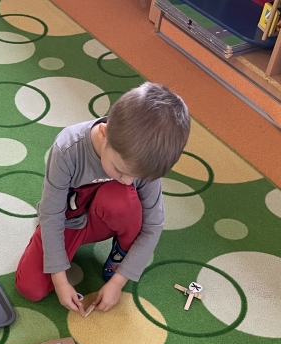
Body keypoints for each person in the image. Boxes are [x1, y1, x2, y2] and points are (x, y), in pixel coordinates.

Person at [14, 82, 191, 314]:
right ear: (104, 134)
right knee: (30, 288)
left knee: (121, 197)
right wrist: (60, 280)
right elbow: (52, 215)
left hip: (105, 218)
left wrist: (119, 281)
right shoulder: (67, 149)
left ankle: (121, 251)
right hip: (69, 221)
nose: (128, 181)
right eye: (120, 170)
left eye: (136, 177)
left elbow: (153, 225)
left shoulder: (143, 161)